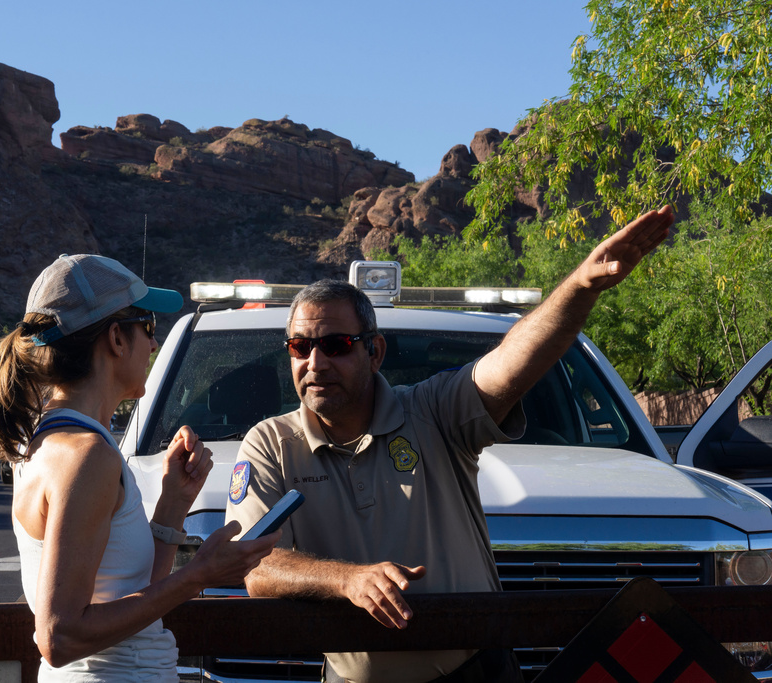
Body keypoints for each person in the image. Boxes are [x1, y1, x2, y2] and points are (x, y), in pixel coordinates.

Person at [225, 207, 675, 683]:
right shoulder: (270, 443)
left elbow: (511, 361)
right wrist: (348, 579)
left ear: (373, 352)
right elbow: (256, 568)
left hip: (476, 673)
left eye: (335, 345)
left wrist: (581, 286)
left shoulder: (434, 411)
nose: (314, 362)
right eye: (299, 347)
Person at [0, 253, 280, 682]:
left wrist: (173, 504)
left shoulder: (56, 441)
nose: (154, 345)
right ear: (117, 339)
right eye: (148, 328)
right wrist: (201, 573)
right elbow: (59, 636)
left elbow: (128, 590)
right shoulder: (84, 455)